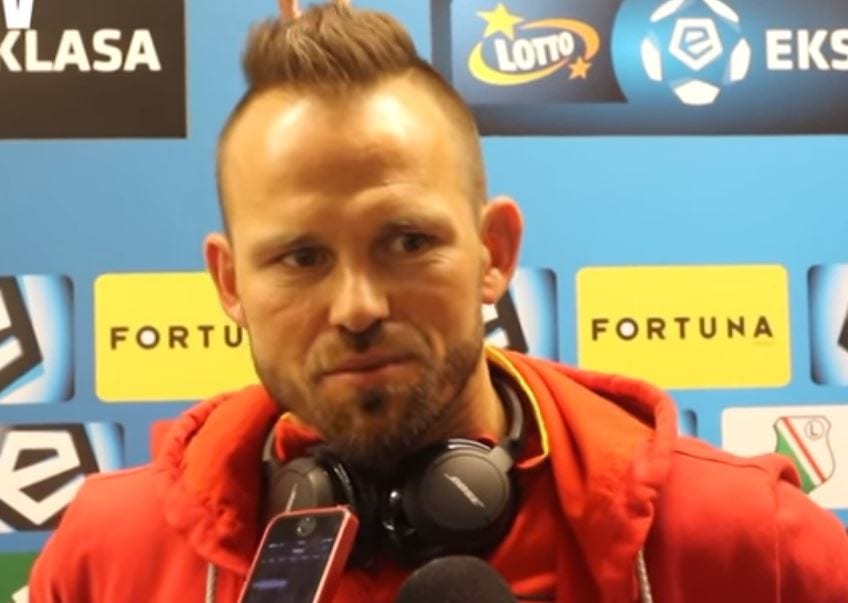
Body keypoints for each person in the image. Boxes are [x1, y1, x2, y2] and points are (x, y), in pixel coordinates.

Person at [29, 2, 848, 602]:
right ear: (231, 283)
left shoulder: (748, 541)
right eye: (302, 257)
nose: (357, 307)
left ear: (494, 253)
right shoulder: (109, 558)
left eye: (408, 241)